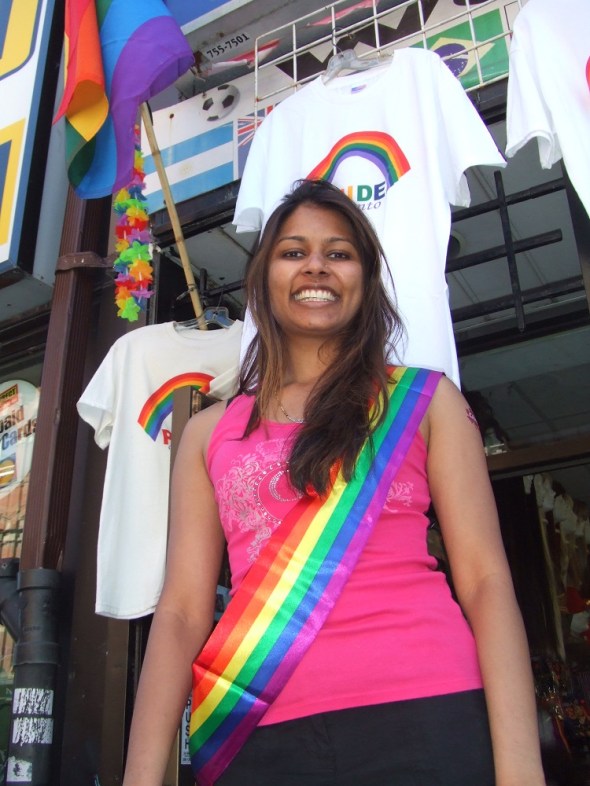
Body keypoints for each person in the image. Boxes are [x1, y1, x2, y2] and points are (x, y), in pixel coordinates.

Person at [122, 179, 545, 786]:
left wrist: (521, 768)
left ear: (365, 280)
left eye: (339, 252)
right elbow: (184, 611)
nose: (315, 264)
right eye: (293, 252)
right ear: (263, 281)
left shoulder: (425, 402)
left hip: (427, 712)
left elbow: (484, 581)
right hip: (256, 731)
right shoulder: (208, 433)